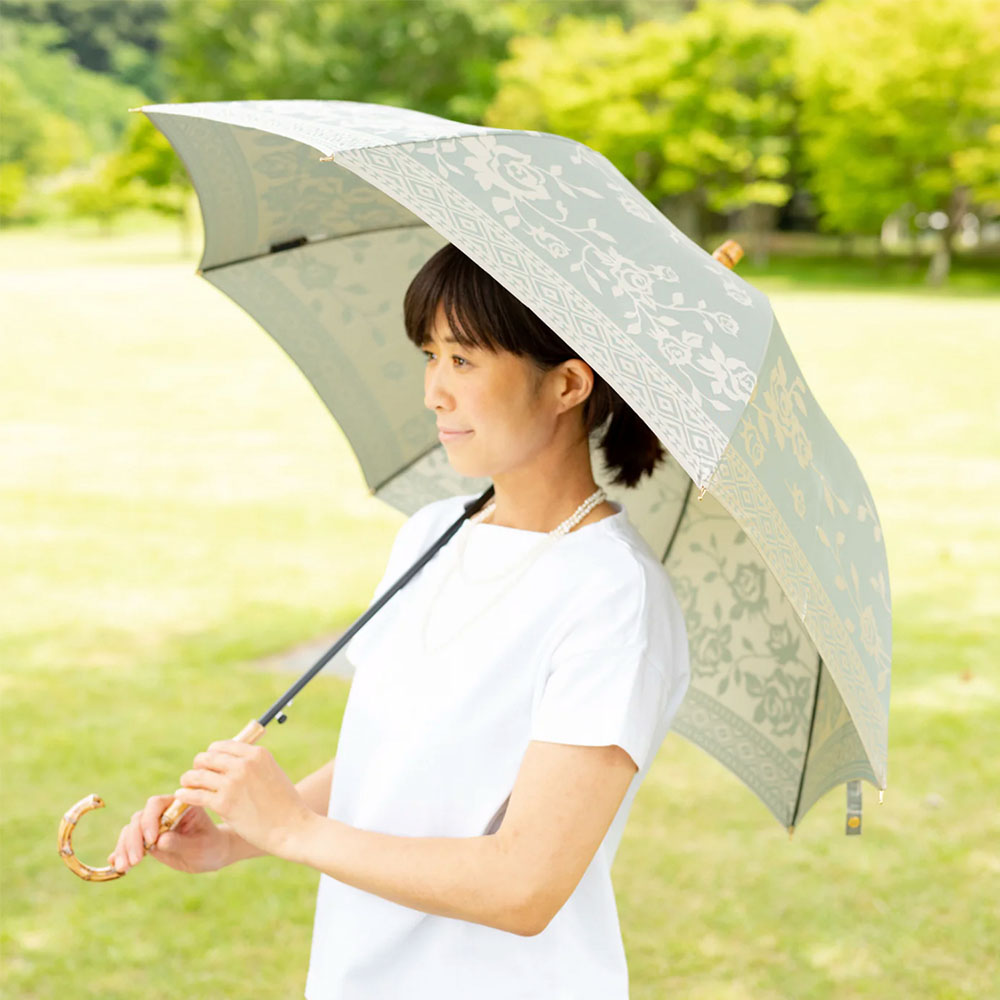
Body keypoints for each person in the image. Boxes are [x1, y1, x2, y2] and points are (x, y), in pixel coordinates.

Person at [109, 243, 691, 999]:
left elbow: (526, 885)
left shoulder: (613, 596)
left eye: (464, 360)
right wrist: (233, 840)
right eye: (430, 355)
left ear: (568, 383)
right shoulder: (434, 531)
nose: (434, 393)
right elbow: (394, 757)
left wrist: (293, 830)